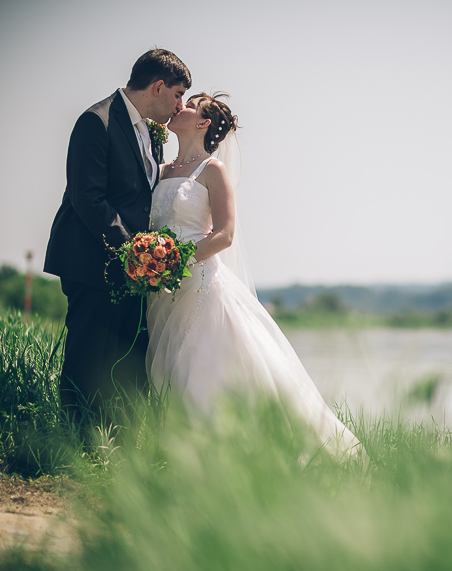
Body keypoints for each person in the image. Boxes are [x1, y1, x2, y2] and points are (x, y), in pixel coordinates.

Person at [146, 93, 363, 458]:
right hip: (161, 289)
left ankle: (218, 459)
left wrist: (177, 261)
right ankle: (178, 455)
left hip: (199, 286)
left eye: (190, 105)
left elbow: (225, 235)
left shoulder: (213, 171)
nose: (178, 106)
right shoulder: (162, 169)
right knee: (167, 369)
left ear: (202, 123)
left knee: (197, 369)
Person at [44, 49, 191, 434]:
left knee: (123, 356)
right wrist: (133, 251)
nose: (180, 105)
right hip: (91, 260)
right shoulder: (96, 121)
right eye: (177, 95)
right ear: (158, 86)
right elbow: (87, 197)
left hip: (132, 269)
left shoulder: (150, 132)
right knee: (87, 352)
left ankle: (113, 442)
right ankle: (74, 442)